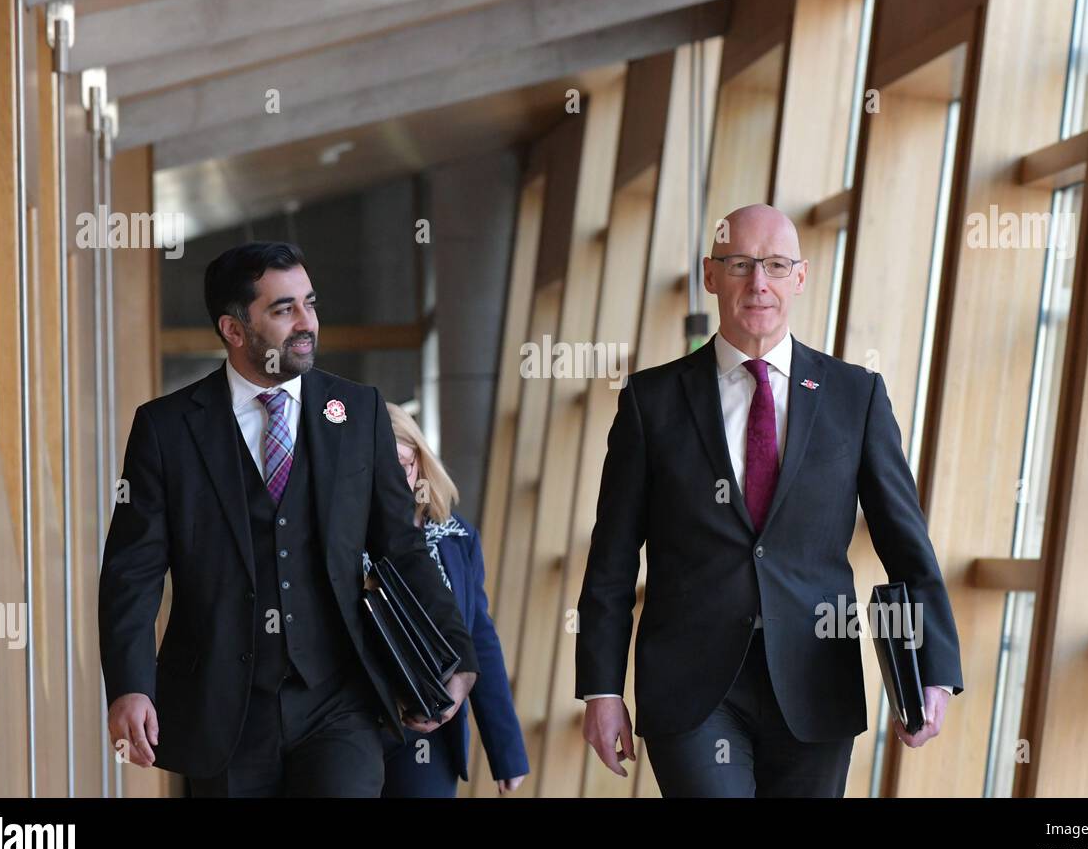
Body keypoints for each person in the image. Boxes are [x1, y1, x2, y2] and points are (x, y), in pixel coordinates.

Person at [575, 204, 963, 797]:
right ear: (711, 275)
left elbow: (905, 541)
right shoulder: (651, 403)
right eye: (741, 265)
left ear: (800, 278)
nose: (759, 283)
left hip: (816, 683)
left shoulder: (854, 397)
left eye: (776, 266)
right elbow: (612, 558)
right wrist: (601, 689)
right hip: (692, 690)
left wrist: (933, 665)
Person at [98, 241, 478, 797]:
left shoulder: (359, 411)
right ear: (233, 329)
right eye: (283, 309)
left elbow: (402, 545)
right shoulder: (168, 429)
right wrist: (130, 686)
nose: (307, 323)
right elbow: (133, 570)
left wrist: (456, 650)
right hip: (223, 708)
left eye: (310, 302)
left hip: (340, 702)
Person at [365, 403, 529, 797]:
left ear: (421, 463)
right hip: (351, 722)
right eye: (378, 468)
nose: (393, 481)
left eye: (402, 465)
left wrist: (506, 750)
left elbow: (479, 641)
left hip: (427, 725)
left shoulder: (457, 539)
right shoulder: (339, 533)